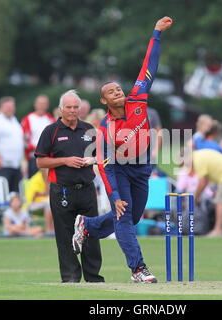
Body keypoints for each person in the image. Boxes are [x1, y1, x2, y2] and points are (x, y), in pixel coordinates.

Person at [71, 17, 173, 283]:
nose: (118, 92)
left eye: (118, 89)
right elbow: (103, 165)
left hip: (142, 167)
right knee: (124, 215)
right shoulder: (105, 128)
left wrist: (157, 33)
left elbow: (149, 66)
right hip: (118, 169)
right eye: (111, 92)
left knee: (132, 216)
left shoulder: (138, 98)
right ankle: (138, 269)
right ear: (104, 100)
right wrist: (114, 194)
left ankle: (88, 225)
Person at [35, 90, 104, 283]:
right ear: (60, 109)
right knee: (65, 237)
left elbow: (102, 156)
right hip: (62, 191)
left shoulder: (89, 129)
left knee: (91, 234)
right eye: (69, 107)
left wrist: (93, 160)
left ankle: (94, 278)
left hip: (87, 189)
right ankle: (71, 278)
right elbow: (41, 162)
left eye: (75, 107)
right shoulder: (51, 131)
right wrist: (65, 161)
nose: (73, 111)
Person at [192, 149, 222, 237]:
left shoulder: (197, 160)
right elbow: (208, 177)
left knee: (219, 202)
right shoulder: (199, 155)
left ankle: (217, 230)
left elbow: (202, 183)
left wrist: (195, 198)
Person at [0, 97, 24, 192]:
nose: (10, 108)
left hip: (15, 164)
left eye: (12, 106)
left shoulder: (14, 121)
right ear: (1, 107)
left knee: (15, 193)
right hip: (2, 165)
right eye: (7, 106)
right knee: (2, 193)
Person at [21, 95, 55, 178]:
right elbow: (23, 139)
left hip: (48, 158)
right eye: (40, 103)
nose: (42, 106)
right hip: (34, 157)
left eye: (44, 104)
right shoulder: (28, 119)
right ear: (35, 105)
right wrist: (36, 148)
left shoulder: (50, 119)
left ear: (47, 106)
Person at [24, 168, 54, 234]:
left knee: (53, 202)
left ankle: (53, 229)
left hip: (43, 203)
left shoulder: (50, 178)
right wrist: (46, 196)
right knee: (48, 202)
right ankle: (48, 229)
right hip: (31, 204)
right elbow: (33, 197)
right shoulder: (36, 179)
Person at [147, 107, 165, 176]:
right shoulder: (129, 112)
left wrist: (156, 149)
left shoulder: (152, 112)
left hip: (150, 150)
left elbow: (159, 132)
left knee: (152, 172)